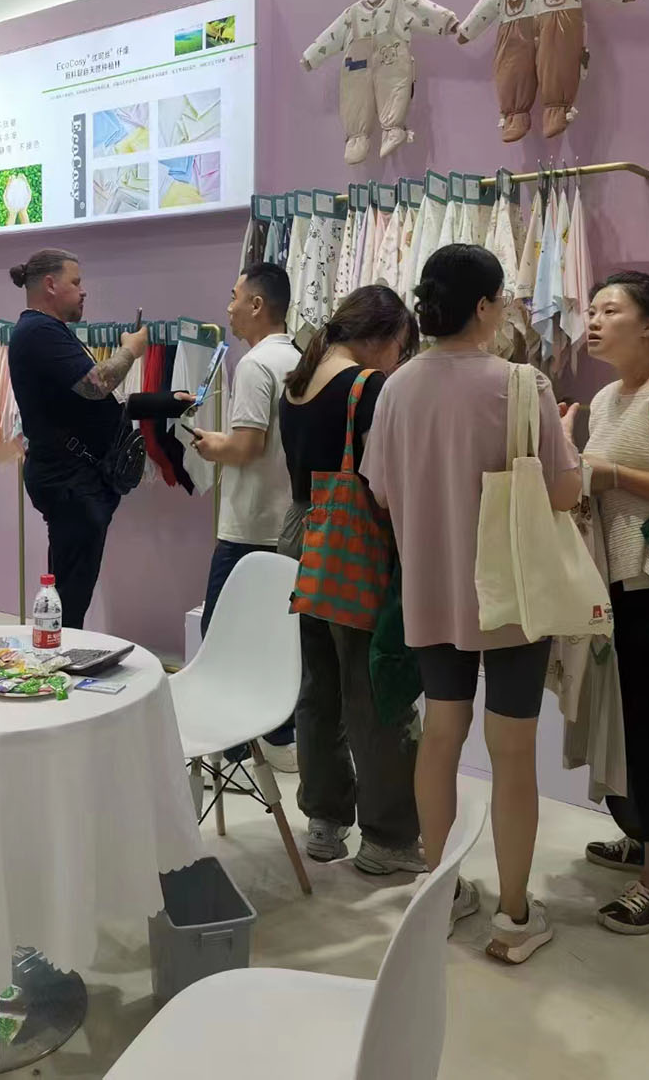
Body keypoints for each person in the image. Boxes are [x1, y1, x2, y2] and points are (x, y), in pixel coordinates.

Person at [361, 244, 581, 964]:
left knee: (441, 734)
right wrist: (565, 441)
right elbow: (563, 492)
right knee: (512, 751)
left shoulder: (396, 387)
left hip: (431, 590)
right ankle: (514, 918)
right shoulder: (522, 385)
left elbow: (381, 490)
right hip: (510, 590)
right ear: (484, 306)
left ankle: (440, 890)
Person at [278, 285, 423, 871]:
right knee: (375, 691)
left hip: (301, 537)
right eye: (400, 346)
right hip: (352, 542)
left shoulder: (297, 383)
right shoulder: (368, 386)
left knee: (318, 688)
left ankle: (324, 818)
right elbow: (384, 482)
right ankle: (389, 838)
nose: (399, 359)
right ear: (382, 336)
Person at [7, 249, 191, 630]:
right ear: (50, 285)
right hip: (71, 483)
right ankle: (60, 658)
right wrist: (131, 350)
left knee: (71, 590)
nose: (83, 291)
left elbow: (102, 404)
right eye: (76, 282)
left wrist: (165, 402)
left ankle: (60, 651)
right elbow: (97, 384)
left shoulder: (50, 333)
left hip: (78, 481)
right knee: (71, 597)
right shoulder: (38, 332)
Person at [577, 271, 649, 935]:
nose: (593, 319)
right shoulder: (606, 397)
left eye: (610, 310)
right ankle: (643, 837)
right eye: (591, 308)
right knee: (628, 723)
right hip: (614, 587)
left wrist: (611, 474)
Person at [192, 264, 300, 772]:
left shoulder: (256, 366)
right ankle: (276, 735)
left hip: (250, 525)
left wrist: (211, 445)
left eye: (235, 297)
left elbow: (247, 446)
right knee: (277, 640)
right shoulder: (299, 358)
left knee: (222, 635)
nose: (229, 307)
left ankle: (233, 739)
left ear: (257, 305)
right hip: (288, 522)